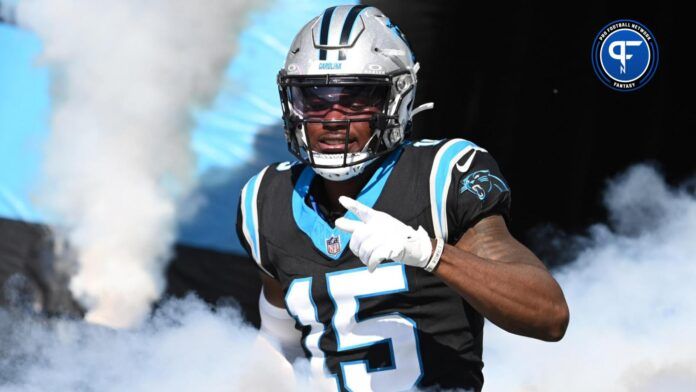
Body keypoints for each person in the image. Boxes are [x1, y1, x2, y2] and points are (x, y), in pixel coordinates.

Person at [236, 5, 569, 391]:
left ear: (396, 100)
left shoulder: (440, 176)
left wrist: (429, 253)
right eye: (315, 98)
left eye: (355, 98)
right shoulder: (267, 199)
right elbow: (279, 342)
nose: (331, 117)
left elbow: (549, 315)